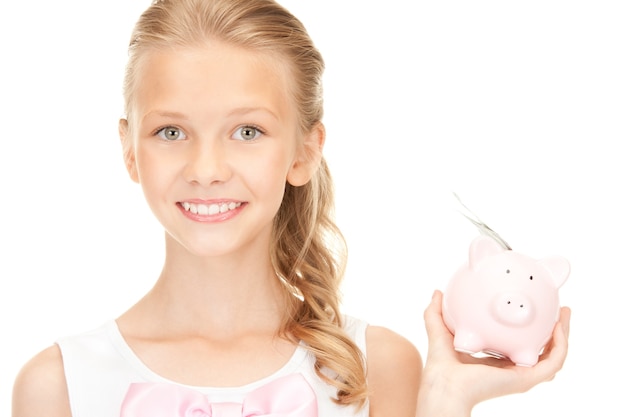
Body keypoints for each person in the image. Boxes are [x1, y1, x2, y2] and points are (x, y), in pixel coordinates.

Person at [11, 0, 571, 416]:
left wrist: (448, 396)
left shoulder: (380, 366)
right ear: (129, 151)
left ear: (304, 152)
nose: (206, 168)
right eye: (171, 131)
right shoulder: (59, 385)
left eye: (247, 130)